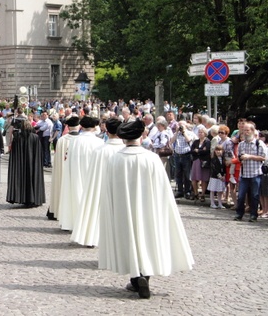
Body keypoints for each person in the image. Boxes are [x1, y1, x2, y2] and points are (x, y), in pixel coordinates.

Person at [98, 119, 194, 299]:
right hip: (149, 206)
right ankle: (144, 277)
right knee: (147, 238)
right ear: (142, 134)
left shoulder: (115, 159)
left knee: (129, 238)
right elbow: (163, 187)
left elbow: (108, 188)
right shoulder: (152, 158)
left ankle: (136, 278)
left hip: (123, 208)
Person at [71, 117, 124, 247]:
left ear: (107, 132)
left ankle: (94, 235)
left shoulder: (100, 150)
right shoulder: (123, 150)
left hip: (101, 187)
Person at [57, 115, 104, 231]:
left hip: (76, 173)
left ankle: (73, 222)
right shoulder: (99, 142)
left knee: (76, 194)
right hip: (92, 174)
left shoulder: (74, 141)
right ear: (94, 128)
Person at [6, 117, 45, 207]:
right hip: (33, 163)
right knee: (32, 178)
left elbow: (14, 154)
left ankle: (23, 198)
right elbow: (39, 153)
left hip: (21, 165)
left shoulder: (17, 138)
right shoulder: (35, 137)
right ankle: (34, 198)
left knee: (23, 178)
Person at [47, 115, 81, 220]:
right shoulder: (81, 141)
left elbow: (57, 160)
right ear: (79, 126)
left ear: (68, 127)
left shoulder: (62, 140)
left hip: (63, 170)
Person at [234, 122, 267, 222]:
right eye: (244, 130)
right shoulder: (241, 144)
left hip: (256, 173)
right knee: (241, 196)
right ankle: (239, 214)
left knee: (254, 196)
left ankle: (253, 215)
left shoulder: (259, 144)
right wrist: (241, 158)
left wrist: (249, 156)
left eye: (247, 130)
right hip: (244, 174)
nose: (245, 132)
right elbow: (239, 157)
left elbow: (264, 158)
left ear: (253, 131)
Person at [171, 121, 194, 199]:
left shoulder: (189, 133)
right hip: (177, 155)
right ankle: (180, 191)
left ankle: (187, 191)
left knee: (187, 174)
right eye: (179, 124)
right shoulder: (176, 133)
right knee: (178, 174)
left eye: (182, 125)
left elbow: (189, 140)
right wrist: (177, 132)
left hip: (186, 155)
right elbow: (171, 141)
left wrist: (184, 132)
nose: (180, 126)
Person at [190, 125, 211, 202]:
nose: (200, 133)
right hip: (196, 161)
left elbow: (206, 151)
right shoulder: (196, 141)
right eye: (199, 132)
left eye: (201, 132)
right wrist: (201, 150)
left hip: (204, 161)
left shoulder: (207, 142)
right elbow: (192, 150)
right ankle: (195, 193)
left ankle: (202, 194)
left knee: (204, 178)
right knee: (194, 178)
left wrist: (198, 150)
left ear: (205, 133)